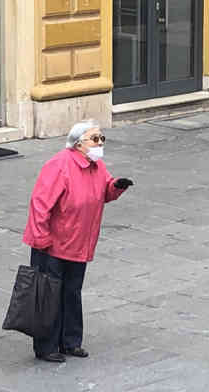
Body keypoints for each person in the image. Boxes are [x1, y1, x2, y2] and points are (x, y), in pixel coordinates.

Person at [23, 121, 133, 363]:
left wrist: (116, 187)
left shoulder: (96, 166)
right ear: (79, 143)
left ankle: (70, 342)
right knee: (49, 296)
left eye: (102, 138)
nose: (100, 143)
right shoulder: (59, 166)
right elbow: (40, 204)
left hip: (78, 243)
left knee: (72, 292)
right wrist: (41, 238)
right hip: (53, 245)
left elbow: (104, 190)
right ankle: (46, 346)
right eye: (95, 139)